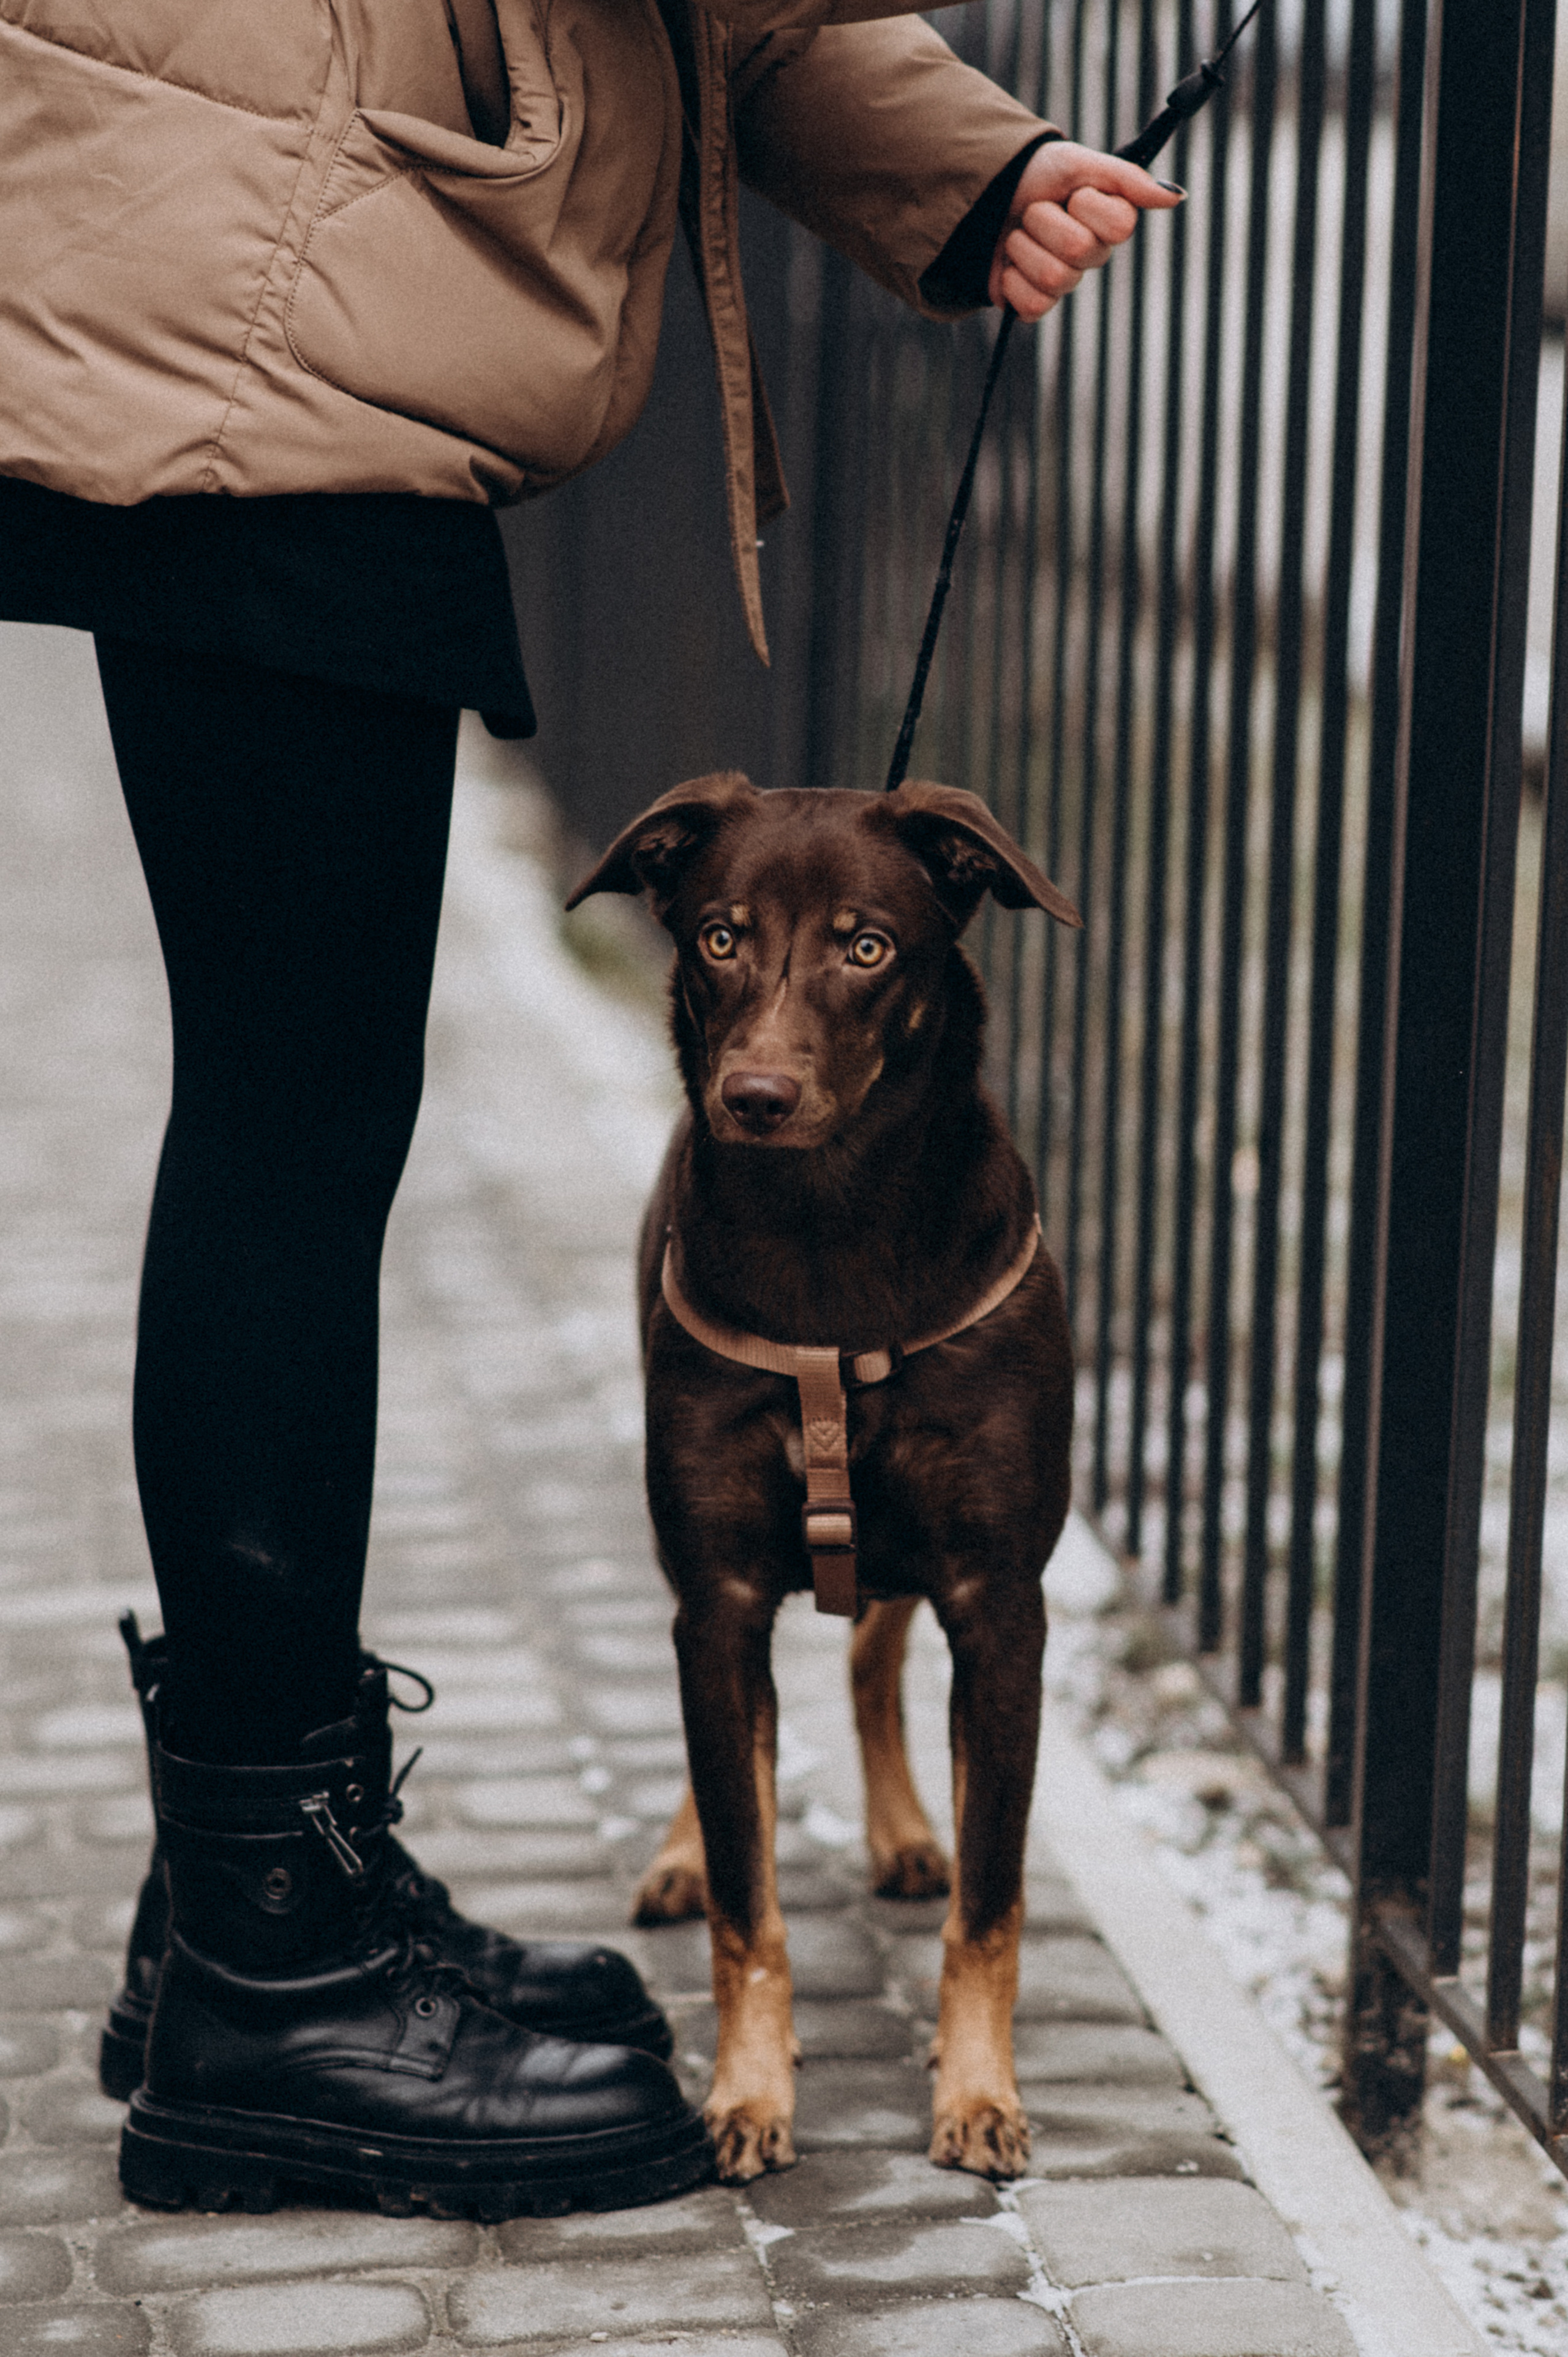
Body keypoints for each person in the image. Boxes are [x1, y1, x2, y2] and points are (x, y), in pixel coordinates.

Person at [0, 0, 1177, 2215]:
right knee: (287, 1113)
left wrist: (966, 170)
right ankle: (280, 1968)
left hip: (304, 261)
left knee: (295, 1110)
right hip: (282, 287)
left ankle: (237, 1908)